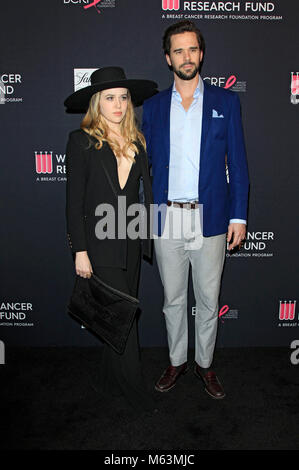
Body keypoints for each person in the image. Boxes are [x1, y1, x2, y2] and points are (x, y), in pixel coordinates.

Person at [142, 21, 249, 399]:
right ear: (167, 58)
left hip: (213, 218)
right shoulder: (153, 108)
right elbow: (143, 164)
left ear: (200, 54)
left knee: (207, 298)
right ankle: (177, 361)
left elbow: (237, 164)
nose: (186, 57)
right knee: (172, 299)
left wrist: (238, 216)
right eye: (178, 51)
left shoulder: (226, 102)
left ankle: (204, 365)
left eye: (192, 49)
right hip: (165, 217)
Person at [64, 66, 158, 413]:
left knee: (116, 316)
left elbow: (140, 194)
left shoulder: (138, 141)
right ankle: (134, 389)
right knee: (125, 315)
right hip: (99, 243)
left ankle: (107, 378)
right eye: (109, 98)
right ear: (96, 103)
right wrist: (80, 251)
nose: (118, 105)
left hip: (130, 239)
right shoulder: (82, 141)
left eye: (123, 98)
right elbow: (74, 203)